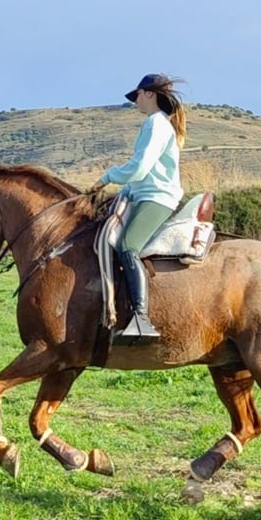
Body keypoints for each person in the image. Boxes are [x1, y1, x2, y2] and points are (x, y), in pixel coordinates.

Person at [90, 74, 186, 342]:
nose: (136, 102)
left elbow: (140, 167)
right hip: (144, 194)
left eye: (138, 96)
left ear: (150, 94)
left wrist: (107, 177)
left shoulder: (156, 124)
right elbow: (143, 175)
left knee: (128, 245)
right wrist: (123, 192)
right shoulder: (154, 124)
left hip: (157, 199)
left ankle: (141, 318)